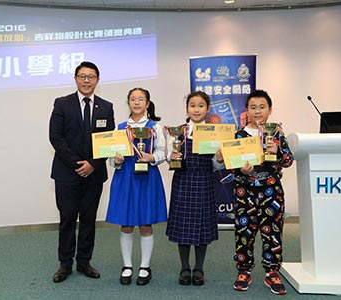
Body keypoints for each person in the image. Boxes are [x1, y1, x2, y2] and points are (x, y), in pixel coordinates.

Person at [219, 90, 294, 295]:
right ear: (247, 111)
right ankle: (244, 270)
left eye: (262, 107)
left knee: (273, 233)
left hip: (272, 192)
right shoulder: (238, 135)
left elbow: (288, 161)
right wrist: (240, 169)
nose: (258, 111)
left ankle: (272, 272)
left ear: (270, 110)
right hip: (245, 192)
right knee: (244, 232)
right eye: (253, 107)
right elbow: (230, 164)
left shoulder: (277, 134)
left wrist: (277, 150)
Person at [49, 61, 115, 283]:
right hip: (67, 173)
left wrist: (92, 164)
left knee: (88, 219)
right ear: (76, 78)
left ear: (97, 79)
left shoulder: (106, 107)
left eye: (91, 76)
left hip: (94, 174)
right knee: (67, 219)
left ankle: (84, 262)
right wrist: (78, 163)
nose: (87, 80)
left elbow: (108, 141)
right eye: (82, 76)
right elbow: (55, 137)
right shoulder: (62, 104)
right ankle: (65, 264)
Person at [106, 87, 167, 286]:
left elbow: (163, 153)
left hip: (147, 176)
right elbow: (111, 159)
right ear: (128, 103)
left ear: (147, 104)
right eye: (133, 99)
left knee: (145, 224)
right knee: (126, 223)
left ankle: (145, 267)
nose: (137, 102)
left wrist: (152, 157)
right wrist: (116, 159)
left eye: (141, 99)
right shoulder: (120, 127)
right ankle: (127, 266)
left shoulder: (155, 127)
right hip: (125, 176)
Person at [165, 91, 220, 286]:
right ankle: (184, 268)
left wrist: (220, 158)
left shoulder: (214, 132)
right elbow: (168, 158)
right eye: (192, 105)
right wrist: (172, 157)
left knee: (202, 227)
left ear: (207, 109)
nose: (196, 109)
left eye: (200, 106)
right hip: (183, 181)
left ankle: (199, 268)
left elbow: (218, 165)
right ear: (187, 108)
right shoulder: (178, 131)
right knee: (183, 227)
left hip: (204, 181)